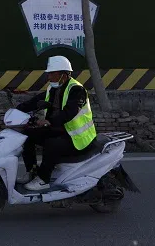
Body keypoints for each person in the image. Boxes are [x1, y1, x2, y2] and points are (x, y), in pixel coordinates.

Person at [16, 55, 97, 192]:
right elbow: (36, 101)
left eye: (52, 73)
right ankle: (32, 171)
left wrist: (49, 121)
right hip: (61, 130)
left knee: (51, 144)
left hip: (78, 138)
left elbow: (69, 112)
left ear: (63, 74)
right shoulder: (53, 88)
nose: (48, 77)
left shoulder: (77, 90)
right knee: (27, 136)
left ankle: (43, 179)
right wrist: (16, 110)